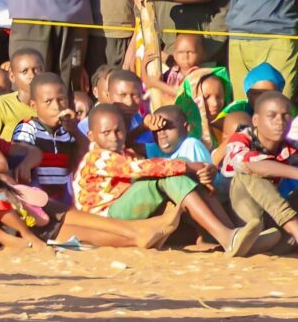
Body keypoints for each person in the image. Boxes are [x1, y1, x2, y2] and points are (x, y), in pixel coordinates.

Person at [71, 103, 260, 255]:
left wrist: (189, 169)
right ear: (91, 136)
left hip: (122, 208)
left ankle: (232, 233)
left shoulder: (124, 153)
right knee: (172, 172)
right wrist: (189, 167)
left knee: (177, 168)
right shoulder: (97, 157)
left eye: (119, 131)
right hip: (106, 219)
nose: (114, 137)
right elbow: (142, 168)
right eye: (106, 133)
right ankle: (226, 235)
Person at [219, 89, 298, 252]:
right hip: (239, 216)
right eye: (272, 116)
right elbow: (252, 165)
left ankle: (265, 244)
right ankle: (291, 229)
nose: (280, 122)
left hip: (271, 219)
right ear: (255, 120)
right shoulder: (241, 139)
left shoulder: (290, 148)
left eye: (285, 116)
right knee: (248, 171)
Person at [10, 72, 84, 211]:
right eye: (48, 102)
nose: (56, 106)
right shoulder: (28, 127)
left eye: (61, 99)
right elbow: (21, 153)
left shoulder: (69, 131)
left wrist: (76, 132)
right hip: (38, 199)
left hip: (65, 197)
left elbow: (88, 154)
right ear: (33, 105)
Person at [0, 46, 43, 139]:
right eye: (24, 71)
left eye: (37, 70)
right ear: (12, 76)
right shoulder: (3, 104)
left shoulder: (51, 105)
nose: (32, 75)